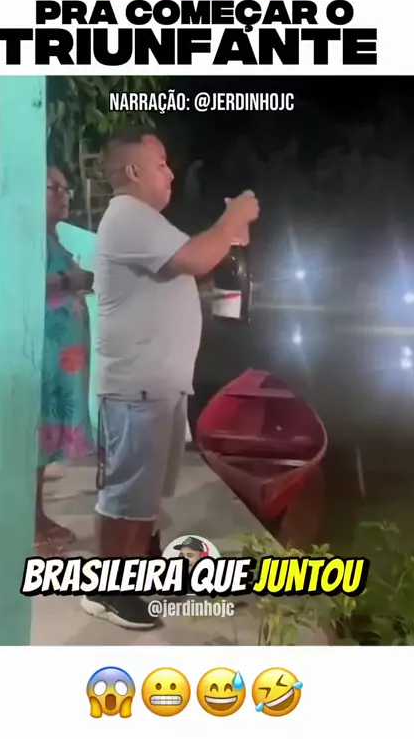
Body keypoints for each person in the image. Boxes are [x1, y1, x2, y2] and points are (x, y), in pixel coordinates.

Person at [82, 127, 259, 628]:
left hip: (159, 385)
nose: (170, 172)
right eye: (160, 163)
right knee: (126, 495)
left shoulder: (146, 222)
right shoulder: (128, 216)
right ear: (133, 171)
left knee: (147, 494)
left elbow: (190, 268)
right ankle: (107, 592)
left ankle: (144, 569)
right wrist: (233, 217)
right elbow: (198, 257)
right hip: (137, 387)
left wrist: (225, 244)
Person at [36, 166, 95, 554]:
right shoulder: (27, 236)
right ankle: (29, 520)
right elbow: (25, 282)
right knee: (35, 438)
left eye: (66, 188)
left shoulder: (50, 237)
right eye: (54, 188)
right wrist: (73, 280)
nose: (64, 194)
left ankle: (37, 515)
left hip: (62, 359)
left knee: (44, 443)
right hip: (42, 355)